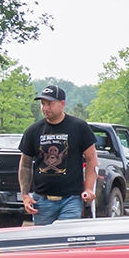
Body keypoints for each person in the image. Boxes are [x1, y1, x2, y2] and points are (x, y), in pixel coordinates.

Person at [19, 84, 98, 226]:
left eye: (49, 104)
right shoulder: (33, 130)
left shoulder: (79, 127)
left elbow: (92, 160)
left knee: (67, 241)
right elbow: (25, 165)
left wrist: (88, 188)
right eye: (43, 104)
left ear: (62, 104)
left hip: (71, 199)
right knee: (44, 244)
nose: (45, 108)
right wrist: (25, 195)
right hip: (42, 201)